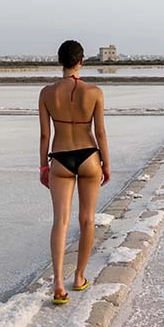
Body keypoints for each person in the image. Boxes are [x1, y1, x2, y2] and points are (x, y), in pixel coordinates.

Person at [38, 40, 111, 304]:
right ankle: (79, 277)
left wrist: (43, 165)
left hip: (59, 157)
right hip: (89, 155)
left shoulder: (47, 93)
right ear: (81, 60)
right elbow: (100, 132)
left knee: (61, 220)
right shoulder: (94, 92)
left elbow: (45, 134)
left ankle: (58, 284)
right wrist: (107, 164)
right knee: (87, 219)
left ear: (60, 61)